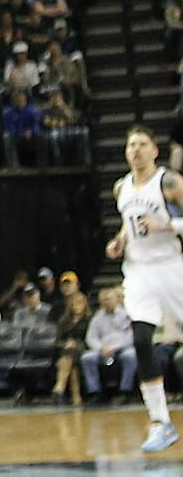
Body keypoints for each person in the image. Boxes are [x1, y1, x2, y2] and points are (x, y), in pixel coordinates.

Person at [104, 124, 183, 453]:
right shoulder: (120, 186)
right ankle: (160, 421)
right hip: (137, 272)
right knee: (140, 340)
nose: (135, 149)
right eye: (130, 144)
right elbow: (129, 220)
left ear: (155, 151)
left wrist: (169, 223)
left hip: (170, 266)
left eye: (142, 144)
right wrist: (120, 240)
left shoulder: (169, 181)